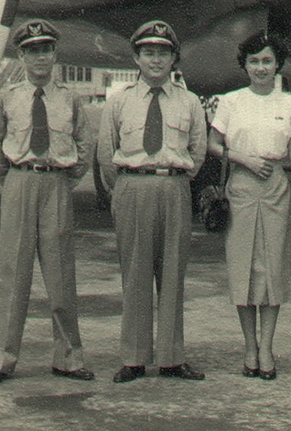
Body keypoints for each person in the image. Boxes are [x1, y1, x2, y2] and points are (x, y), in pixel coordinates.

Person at [0, 19, 93, 384]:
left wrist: (63, 179)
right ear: (22, 55)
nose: (40, 57)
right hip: (19, 182)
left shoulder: (70, 98)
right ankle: (0, 358)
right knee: (12, 274)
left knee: (61, 275)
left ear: (55, 54)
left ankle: (68, 358)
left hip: (56, 184)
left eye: (46, 49)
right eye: (32, 50)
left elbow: (84, 147)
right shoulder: (7, 97)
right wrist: (13, 179)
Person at [97, 20, 208, 383]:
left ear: (175, 59)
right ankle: (133, 358)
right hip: (132, 186)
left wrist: (174, 180)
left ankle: (172, 358)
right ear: (136, 58)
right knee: (136, 274)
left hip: (174, 187)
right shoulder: (119, 102)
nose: (156, 60)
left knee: (173, 275)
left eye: (163, 53)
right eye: (149, 53)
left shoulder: (190, 103)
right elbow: (105, 155)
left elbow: (198, 152)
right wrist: (125, 189)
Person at [207, 31, 291, 380]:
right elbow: (213, 144)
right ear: (245, 66)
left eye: (267, 61)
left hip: (277, 185)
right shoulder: (231, 102)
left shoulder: (290, 104)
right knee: (244, 268)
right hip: (242, 184)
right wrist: (244, 159)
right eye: (254, 62)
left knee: (273, 267)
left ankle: (267, 346)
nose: (261, 68)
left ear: (277, 64)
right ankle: (249, 345)